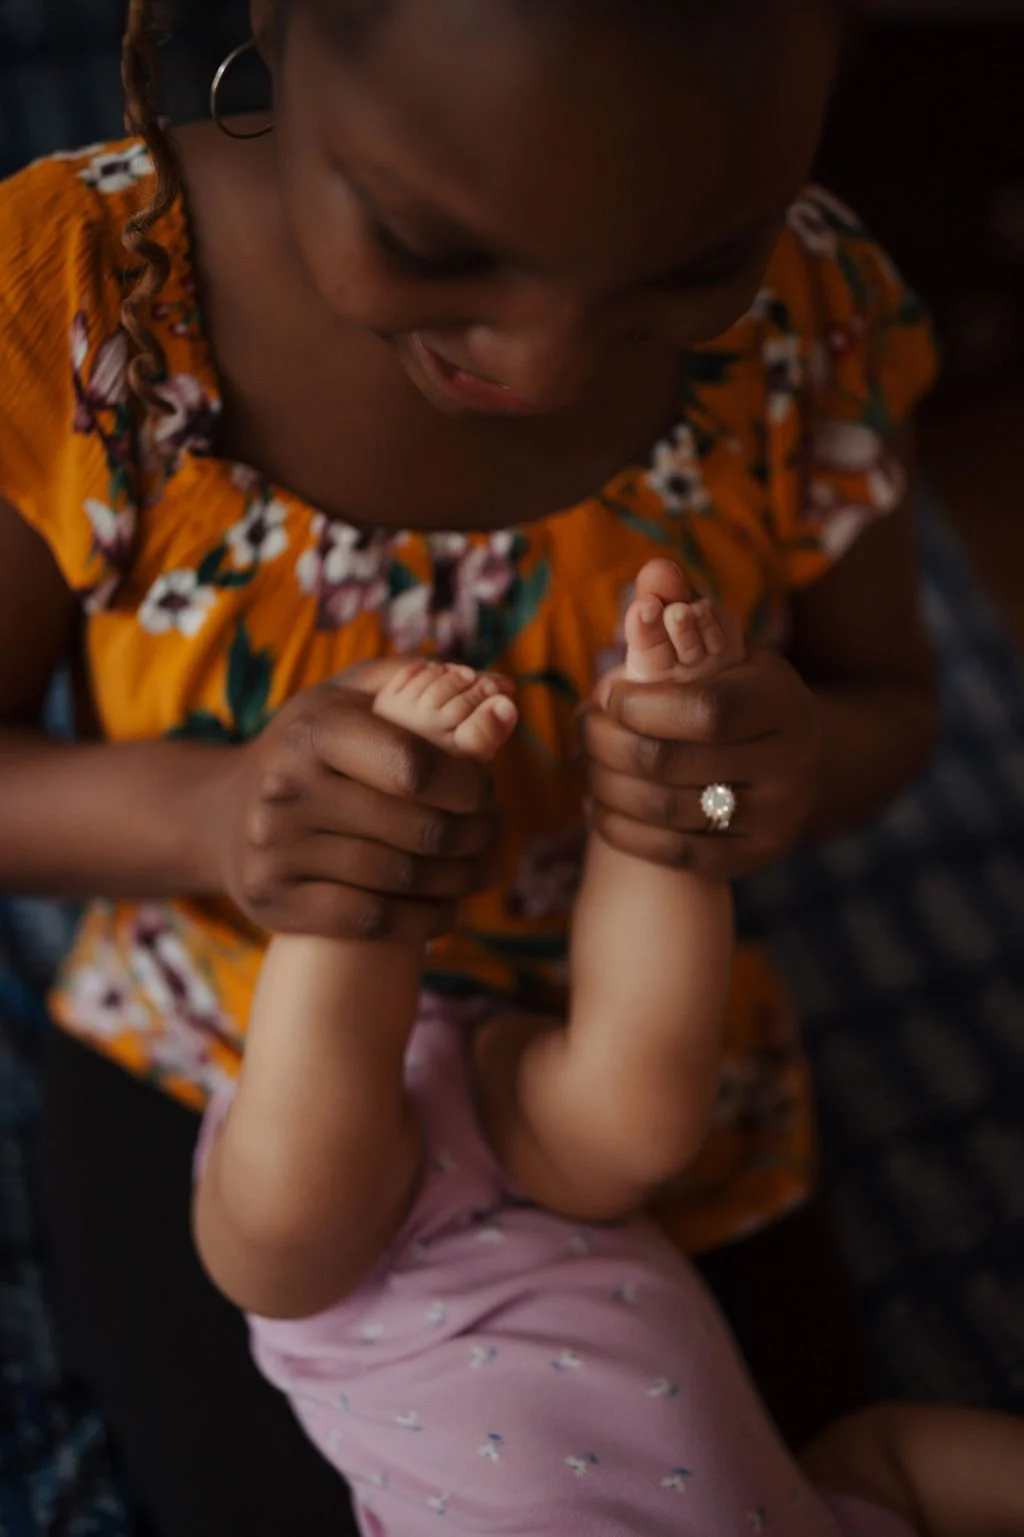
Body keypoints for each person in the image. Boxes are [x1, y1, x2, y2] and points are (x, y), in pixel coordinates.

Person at [0, 0, 939, 1531]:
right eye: (429, 243)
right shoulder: (94, 303)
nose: (546, 361)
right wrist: (218, 814)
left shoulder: (807, 312)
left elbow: (885, 702)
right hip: (213, 1062)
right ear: (271, 24)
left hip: (646, 1075)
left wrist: (740, 788)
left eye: (691, 266)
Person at [193, 586, 1024, 1537]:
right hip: (564, 1191)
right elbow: (889, 1467)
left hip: (350, 1293)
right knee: (649, 1116)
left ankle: (375, 845)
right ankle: (664, 786)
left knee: (295, 1199)